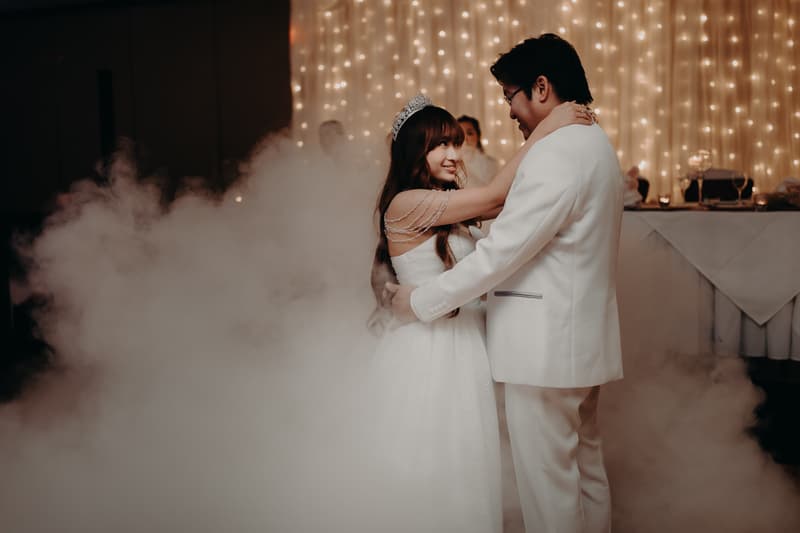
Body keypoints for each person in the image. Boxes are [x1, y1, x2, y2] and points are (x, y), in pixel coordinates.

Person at [386, 33, 624, 533]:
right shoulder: (595, 143)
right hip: (578, 344)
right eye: (440, 144)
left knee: (550, 490)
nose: (509, 110)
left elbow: (499, 253)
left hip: (546, 352)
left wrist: (420, 301)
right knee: (586, 474)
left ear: (541, 88)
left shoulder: (559, 151)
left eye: (509, 96)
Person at [457, 115, 499, 188]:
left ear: (478, 136)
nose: (465, 138)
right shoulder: (449, 163)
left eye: (469, 133)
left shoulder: (491, 163)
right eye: (460, 134)